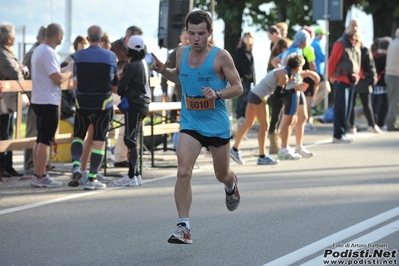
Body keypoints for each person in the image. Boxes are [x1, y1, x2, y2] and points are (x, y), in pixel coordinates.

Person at [151, 10, 243, 244]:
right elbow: (180, 77)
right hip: (190, 122)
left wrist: (218, 93)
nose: (196, 38)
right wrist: (164, 71)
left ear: (210, 33)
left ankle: (231, 184)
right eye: (191, 33)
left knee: (221, 174)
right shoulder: (181, 53)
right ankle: (184, 227)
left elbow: (238, 87)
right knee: (183, 171)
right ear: (186, 33)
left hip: (216, 125)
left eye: (201, 33)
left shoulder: (221, 56)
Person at [230, 54, 311, 166]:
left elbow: (277, 87)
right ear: (297, 67)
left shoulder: (282, 72)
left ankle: (234, 149)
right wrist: (294, 89)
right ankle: (262, 156)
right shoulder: (284, 76)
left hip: (253, 93)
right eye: (301, 67)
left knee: (248, 123)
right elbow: (277, 95)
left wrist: (288, 85)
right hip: (260, 97)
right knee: (265, 126)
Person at [68, 25, 118, 190]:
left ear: (88, 39)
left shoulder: (78, 55)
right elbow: (115, 83)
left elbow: (71, 72)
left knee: (78, 135)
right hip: (103, 103)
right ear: (102, 39)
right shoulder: (111, 56)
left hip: (82, 100)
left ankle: (76, 165)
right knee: (99, 140)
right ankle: (91, 179)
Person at [30, 23, 74, 187]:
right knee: (46, 140)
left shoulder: (39, 49)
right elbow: (57, 80)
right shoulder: (49, 52)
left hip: (38, 99)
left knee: (40, 138)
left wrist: (63, 69)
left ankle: (37, 173)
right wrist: (69, 71)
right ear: (58, 36)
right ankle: (41, 175)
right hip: (48, 100)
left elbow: (52, 73)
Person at [272, 29, 318, 160]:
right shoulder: (297, 51)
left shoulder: (289, 49)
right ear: (305, 41)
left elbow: (275, 61)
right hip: (293, 87)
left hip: (295, 86)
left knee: (300, 117)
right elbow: (288, 66)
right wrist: (288, 77)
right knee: (291, 119)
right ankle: (287, 147)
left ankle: (297, 146)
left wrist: (282, 74)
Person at [112, 35, 150, 187]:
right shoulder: (143, 63)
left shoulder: (132, 66)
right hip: (143, 103)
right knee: (132, 137)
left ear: (129, 49)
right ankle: (136, 174)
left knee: (130, 138)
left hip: (134, 104)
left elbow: (120, 89)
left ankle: (131, 175)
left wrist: (118, 76)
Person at [0, 22, 28, 178]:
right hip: (4, 98)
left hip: (8, 99)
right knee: (4, 132)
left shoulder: (7, 52)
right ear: (8, 37)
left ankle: (7, 165)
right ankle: (4, 166)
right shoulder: (2, 53)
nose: (15, 37)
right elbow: (14, 73)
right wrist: (22, 69)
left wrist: (22, 69)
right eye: (14, 35)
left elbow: (20, 70)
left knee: (8, 131)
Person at [328, 19, 361, 143]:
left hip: (351, 79)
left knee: (348, 108)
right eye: (352, 25)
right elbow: (332, 61)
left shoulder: (356, 43)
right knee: (341, 106)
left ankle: (343, 131)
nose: (355, 28)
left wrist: (358, 74)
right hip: (341, 78)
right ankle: (338, 134)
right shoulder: (341, 43)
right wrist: (330, 76)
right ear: (348, 27)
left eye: (356, 25)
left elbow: (358, 62)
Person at [23, 26, 46, 174]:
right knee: (33, 130)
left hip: (37, 96)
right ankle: (30, 163)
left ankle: (36, 163)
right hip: (34, 97)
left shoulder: (36, 51)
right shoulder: (35, 53)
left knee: (38, 131)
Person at [349, 34, 380, 133]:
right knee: (366, 104)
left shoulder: (351, 49)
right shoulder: (364, 50)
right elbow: (371, 66)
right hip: (363, 79)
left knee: (352, 104)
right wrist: (372, 78)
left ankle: (351, 125)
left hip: (353, 79)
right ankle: (371, 125)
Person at [267, 38, 291, 154]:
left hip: (276, 91)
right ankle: (273, 145)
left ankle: (276, 144)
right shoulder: (278, 60)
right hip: (274, 92)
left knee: (277, 117)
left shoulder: (276, 59)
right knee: (275, 118)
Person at [161, 28, 190, 103]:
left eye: (190, 38)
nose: (188, 41)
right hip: (181, 95)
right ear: (180, 38)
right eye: (185, 38)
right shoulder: (174, 55)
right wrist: (165, 93)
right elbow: (164, 75)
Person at [233, 32, 255, 124]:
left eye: (250, 37)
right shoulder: (240, 51)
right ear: (243, 39)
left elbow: (252, 67)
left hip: (249, 79)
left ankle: (244, 118)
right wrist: (239, 77)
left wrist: (254, 80)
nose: (248, 39)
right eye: (246, 37)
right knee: (241, 98)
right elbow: (236, 64)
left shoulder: (250, 51)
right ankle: (239, 117)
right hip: (242, 78)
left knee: (246, 98)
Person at [311, 27, 331, 112]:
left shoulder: (314, 43)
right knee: (326, 89)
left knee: (315, 92)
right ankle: (313, 105)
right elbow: (324, 57)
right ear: (318, 34)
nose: (323, 36)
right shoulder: (317, 44)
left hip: (317, 70)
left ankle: (312, 107)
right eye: (322, 34)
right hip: (318, 71)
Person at [372, 37, 392, 128]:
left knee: (374, 103)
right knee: (383, 104)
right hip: (384, 83)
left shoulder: (374, 56)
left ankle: (374, 121)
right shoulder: (387, 57)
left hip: (375, 82)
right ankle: (381, 122)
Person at [384, 28, 399, 131]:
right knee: (395, 101)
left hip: (390, 74)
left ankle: (392, 122)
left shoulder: (393, 43)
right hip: (395, 75)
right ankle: (390, 123)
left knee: (392, 100)